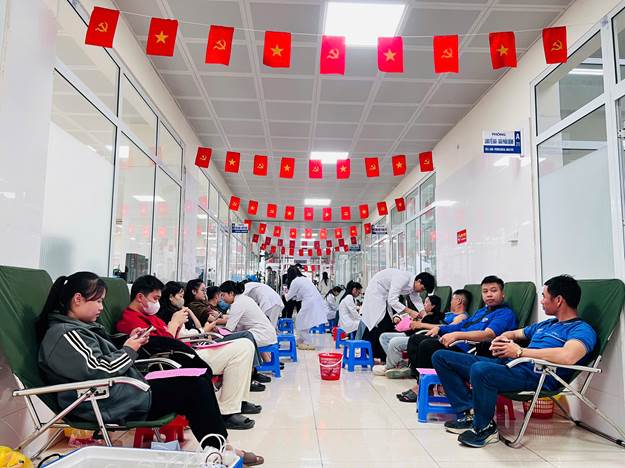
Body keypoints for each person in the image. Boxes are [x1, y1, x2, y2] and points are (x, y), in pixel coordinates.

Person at [36, 272, 263, 465]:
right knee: (194, 386)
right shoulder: (64, 335)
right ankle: (220, 450)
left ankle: (219, 447)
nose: (101, 308)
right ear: (77, 299)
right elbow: (100, 370)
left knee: (198, 379)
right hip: (107, 401)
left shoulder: (81, 329)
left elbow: (100, 361)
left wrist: (128, 342)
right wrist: (129, 349)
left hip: (122, 390)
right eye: (98, 301)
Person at [433, 275, 597, 448]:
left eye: (544, 296)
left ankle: (485, 429)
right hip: (512, 366)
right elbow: (517, 333)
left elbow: (568, 356)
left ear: (558, 300)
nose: (541, 301)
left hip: (537, 376)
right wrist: (503, 339)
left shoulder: (582, 329)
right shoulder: (547, 324)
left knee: (480, 370)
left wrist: (520, 352)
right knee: (441, 357)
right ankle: (468, 413)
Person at [116, 276, 260, 430]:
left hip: (186, 351)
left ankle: (237, 403)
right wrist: (174, 323)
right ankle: (227, 412)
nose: (157, 303)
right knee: (243, 347)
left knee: (246, 344)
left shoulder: (150, 317)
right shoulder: (130, 321)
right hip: (173, 360)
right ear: (140, 297)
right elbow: (161, 347)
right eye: (155, 298)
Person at [397, 276, 518, 403]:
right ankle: (423, 382)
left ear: (502, 294)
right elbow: (461, 326)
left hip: (471, 350)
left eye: (493, 290)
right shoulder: (481, 311)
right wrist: (440, 329)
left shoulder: (505, 314)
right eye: (485, 291)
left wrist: (457, 335)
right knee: (415, 339)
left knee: (427, 345)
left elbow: (488, 334)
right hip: (457, 343)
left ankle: (425, 387)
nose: (489, 294)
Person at [360, 270, 436, 360]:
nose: (421, 291)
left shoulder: (413, 285)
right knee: (380, 324)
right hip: (376, 294)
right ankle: (375, 355)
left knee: (383, 325)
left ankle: (376, 355)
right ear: (419, 281)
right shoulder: (402, 278)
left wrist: (424, 314)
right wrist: (410, 312)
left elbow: (416, 299)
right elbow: (392, 300)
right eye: (422, 288)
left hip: (385, 297)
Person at [374, 295, 442, 379]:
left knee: (394, 342)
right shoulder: (422, 314)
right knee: (383, 337)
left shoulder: (436, 316)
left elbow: (438, 327)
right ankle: (400, 363)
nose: (424, 304)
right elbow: (405, 316)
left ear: (433, 306)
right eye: (424, 302)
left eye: (427, 302)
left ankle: (389, 367)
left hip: (417, 336)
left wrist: (420, 323)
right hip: (408, 333)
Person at [220, 281, 278, 353]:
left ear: (231, 293)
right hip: (267, 334)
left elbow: (228, 330)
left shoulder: (237, 304)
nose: (222, 298)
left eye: (223, 295)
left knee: (233, 344)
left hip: (262, 336)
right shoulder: (244, 299)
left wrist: (216, 332)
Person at [284, 266, 328, 351]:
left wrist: (284, 294)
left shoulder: (295, 281)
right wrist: (294, 297)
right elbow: (300, 295)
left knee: (300, 321)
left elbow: (288, 297)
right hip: (314, 301)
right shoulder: (304, 279)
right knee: (305, 322)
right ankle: (301, 340)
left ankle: (308, 342)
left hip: (310, 302)